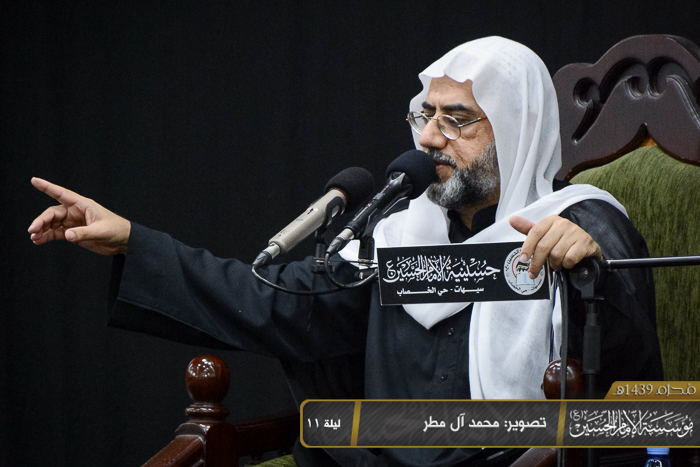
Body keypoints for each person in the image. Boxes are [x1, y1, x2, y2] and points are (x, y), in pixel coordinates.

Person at [28, 37, 662, 466]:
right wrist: (132, 240)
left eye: (458, 120)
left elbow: (634, 382)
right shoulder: (395, 234)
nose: (430, 138)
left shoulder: (579, 222)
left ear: (517, 130)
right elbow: (277, 302)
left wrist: (590, 272)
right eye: (425, 115)